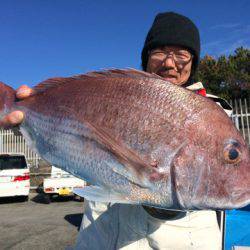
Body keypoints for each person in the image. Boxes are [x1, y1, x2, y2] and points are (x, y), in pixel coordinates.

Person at [2, 12, 232, 250]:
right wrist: (27, 122)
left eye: (182, 54)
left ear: (193, 61)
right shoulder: (119, 93)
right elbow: (71, 136)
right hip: (101, 238)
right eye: (160, 51)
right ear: (146, 57)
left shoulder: (214, 116)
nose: (170, 63)